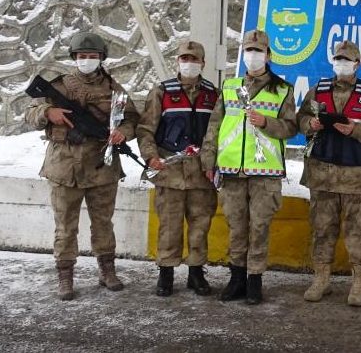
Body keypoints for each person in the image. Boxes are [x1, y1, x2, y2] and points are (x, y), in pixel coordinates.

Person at [24, 32, 139, 300]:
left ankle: (106, 270)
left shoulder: (115, 90)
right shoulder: (59, 87)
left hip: (102, 166)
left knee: (103, 223)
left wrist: (123, 132)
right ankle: (65, 276)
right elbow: (30, 113)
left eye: (93, 56)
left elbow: (133, 119)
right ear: (74, 57)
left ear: (101, 58)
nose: (87, 60)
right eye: (82, 56)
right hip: (64, 167)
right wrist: (47, 113)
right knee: (65, 226)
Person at [200, 29, 297, 305]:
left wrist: (267, 122)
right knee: (236, 226)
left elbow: (291, 127)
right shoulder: (230, 87)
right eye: (248, 51)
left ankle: (255, 279)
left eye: (258, 51)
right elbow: (215, 126)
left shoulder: (282, 90)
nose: (252, 56)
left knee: (259, 226)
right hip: (232, 170)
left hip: (265, 172)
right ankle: (236, 278)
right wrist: (209, 160)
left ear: (268, 56)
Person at [297, 40, 361, 307]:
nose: (342, 64)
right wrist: (311, 124)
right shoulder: (319, 89)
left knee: (358, 233)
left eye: (347, 60)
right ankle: (321, 279)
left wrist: (356, 130)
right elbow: (300, 120)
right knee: (322, 229)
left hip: (356, 177)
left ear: (358, 64)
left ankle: (359, 282)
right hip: (322, 174)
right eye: (338, 59)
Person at [136, 40, 218, 297]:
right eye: (185, 59)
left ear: (203, 63)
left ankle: (196, 273)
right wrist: (150, 157)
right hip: (169, 171)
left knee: (200, 226)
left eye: (194, 60)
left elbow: (219, 133)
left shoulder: (212, 95)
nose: (189, 64)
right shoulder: (162, 91)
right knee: (169, 227)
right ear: (178, 62)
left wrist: (213, 164)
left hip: (201, 174)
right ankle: (166, 273)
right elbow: (145, 129)